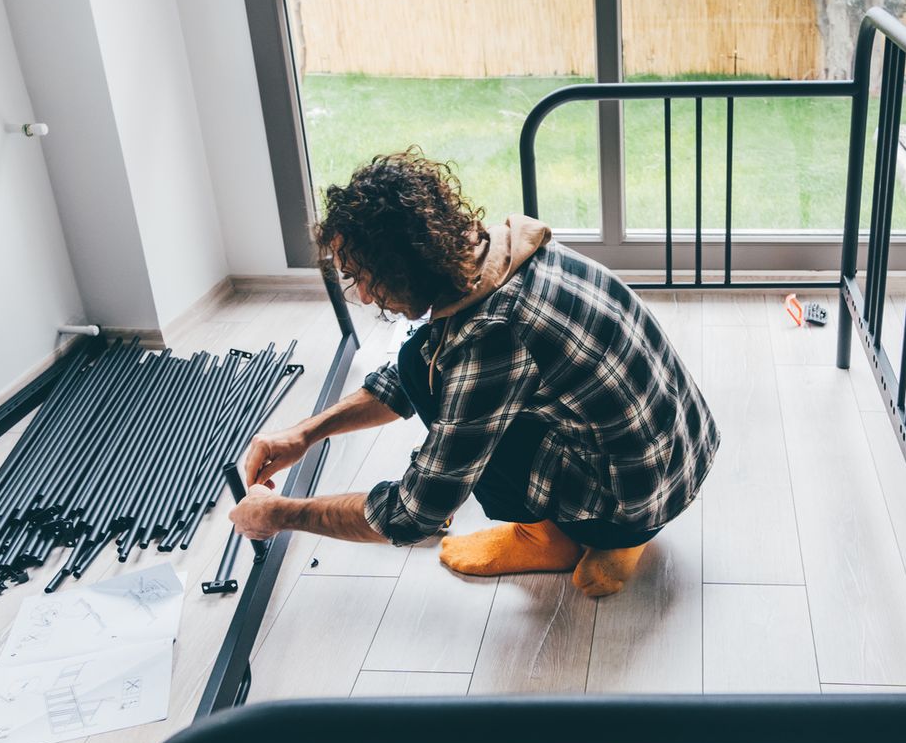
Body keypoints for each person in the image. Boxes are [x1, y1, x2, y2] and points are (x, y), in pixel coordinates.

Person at [230, 148, 719, 598]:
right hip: (682, 453)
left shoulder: (493, 335)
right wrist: (304, 433)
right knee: (419, 361)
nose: (361, 295)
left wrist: (281, 514)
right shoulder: (503, 252)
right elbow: (415, 373)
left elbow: (415, 513)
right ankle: (582, 524)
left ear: (402, 266)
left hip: (631, 506)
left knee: (444, 395)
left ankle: (568, 537)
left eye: (362, 276)